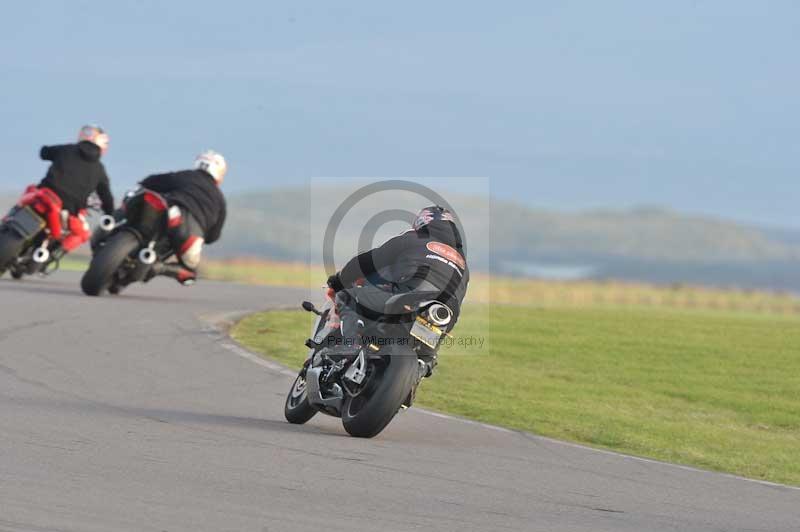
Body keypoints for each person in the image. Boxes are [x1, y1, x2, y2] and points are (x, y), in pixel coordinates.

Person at [326, 206, 469, 377]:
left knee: (348, 296)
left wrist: (338, 282)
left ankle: (350, 346)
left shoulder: (414, 238)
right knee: (426, 358)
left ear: (423, 221)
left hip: (409, 297)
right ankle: (422, 368)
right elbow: (459, 300)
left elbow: (368, 261)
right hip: (443, 314)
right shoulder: (464, 265)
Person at [137, 150, 227, 285]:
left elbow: (152, 181)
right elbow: (213, 236)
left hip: (173, 213)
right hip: (192, 236)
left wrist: (144, 183)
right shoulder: (220, 200)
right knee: (190, 271)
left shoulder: (187, 176)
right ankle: (160, 268)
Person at [37, 125, 114, 261]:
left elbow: (44, 153)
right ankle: (53, 255)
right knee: (82, 233)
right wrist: (110, 213)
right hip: (67, 209)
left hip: (43, 194)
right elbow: (107, 197)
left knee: (26, 198)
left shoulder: (67, 149)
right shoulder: (99, 169)